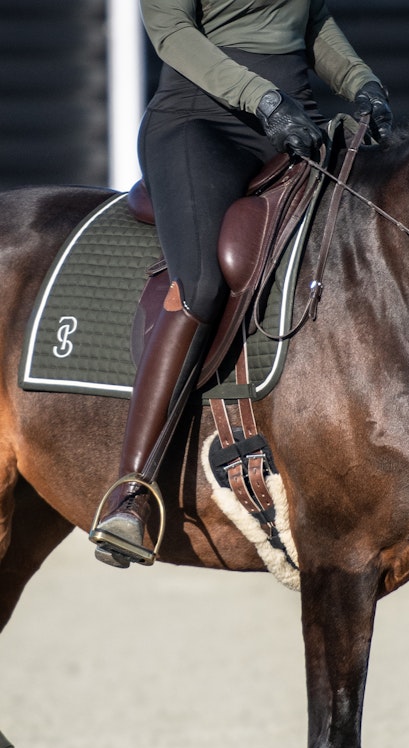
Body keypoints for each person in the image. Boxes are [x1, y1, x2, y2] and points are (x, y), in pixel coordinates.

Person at [90, 0, 392, 568]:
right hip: (201, 124)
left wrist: (364, 84)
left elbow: (313, 21)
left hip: (289, 123)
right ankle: (130, 493)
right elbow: (171, 30)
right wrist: (263, 99)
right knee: (202, 284)